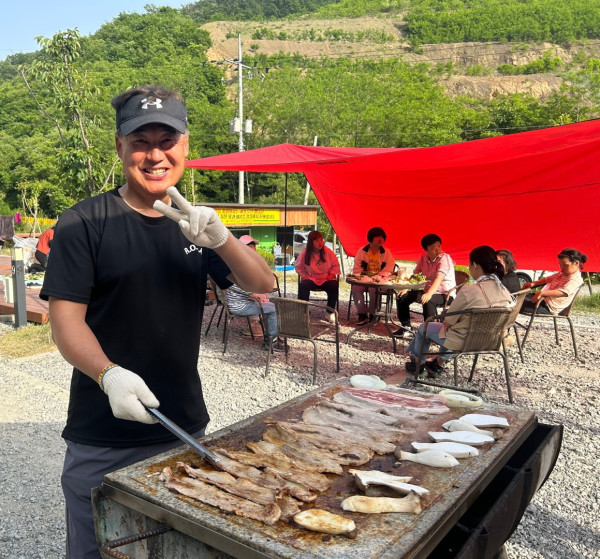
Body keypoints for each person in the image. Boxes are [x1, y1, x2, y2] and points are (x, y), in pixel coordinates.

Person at [39, 85, 274, 559]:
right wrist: (109, 375)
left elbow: (261, 282)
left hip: (182, 428)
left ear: (185, 147)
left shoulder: (193, 220)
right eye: (140, 141)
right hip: (103, 431)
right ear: (119, 146)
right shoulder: (83, 222)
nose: (154, 155)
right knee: (98, 550)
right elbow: (65, 322)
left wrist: (222, 239)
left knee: (179, 550)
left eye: (167, 141)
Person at [405, 245, 514, 378]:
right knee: (455, 328)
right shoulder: (504, 291)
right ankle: (437, 365)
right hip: (492, 341)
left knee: (425, 327)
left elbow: (449, 321)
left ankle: (418, 365)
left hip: (464, 341)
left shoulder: (469, 291)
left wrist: (448, 317)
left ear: (474, 265)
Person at [226, 234, 284, 350]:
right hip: (239, 305)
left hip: (241, 301)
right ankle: (271, 341)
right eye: (250, 247)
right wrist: (259, 296)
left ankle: (269, 335)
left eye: (254, 246)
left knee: (269, 304)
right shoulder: (242, 265)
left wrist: (260, 294)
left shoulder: (239, 262)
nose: (254, 249)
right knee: (273, 308)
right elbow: (245, 288)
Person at [394, 233, 456, 337]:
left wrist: (429, 294)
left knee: (428, 300)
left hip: (445, 294)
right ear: (426, 250)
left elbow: (439, 278)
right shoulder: (423, 257)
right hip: (428, 290)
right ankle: (406, 327)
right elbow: (415, 275)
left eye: (439, 245)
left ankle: (430, 332)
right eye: (433, 248)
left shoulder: (445, 258)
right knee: (402, 296)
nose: (437, 249)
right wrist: (406, 288)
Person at [520, 248, 586, 315]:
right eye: (560, 265)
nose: (562, 269)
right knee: (516, 298)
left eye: (565, 265)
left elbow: (563, 292)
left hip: (547, 307)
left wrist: (542, 293)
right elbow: (548, 279)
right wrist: (533, 284)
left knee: (516, 303)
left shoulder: (576, 279)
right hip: (542, 300)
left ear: (576, 263)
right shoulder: (562, 273)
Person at [351, 226, 395, 325]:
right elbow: (357, 268)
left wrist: (379, 277)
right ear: (371, 238)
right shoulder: (362, 251)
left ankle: (373, 314)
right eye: (377, 237)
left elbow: (389, 268)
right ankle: (362, 313)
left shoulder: (386, 252)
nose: (380, 239)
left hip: (379, 280)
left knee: (374, 289)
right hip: (364, 279)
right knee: (356, 288)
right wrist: (363, 277)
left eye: (382, 237)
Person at [295, 230, 340, 322]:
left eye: (321, 240)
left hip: (325, 278)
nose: (320, 242)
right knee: (303, 285)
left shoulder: (328, 252)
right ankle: (304, 312)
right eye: (317, 241)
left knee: (334, 285)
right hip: (311, 278)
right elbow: (298, 266)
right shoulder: (305, 253)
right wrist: (303, 275)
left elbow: (335, 265)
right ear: (311, 243)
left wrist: (331, 274)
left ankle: (330, 312)